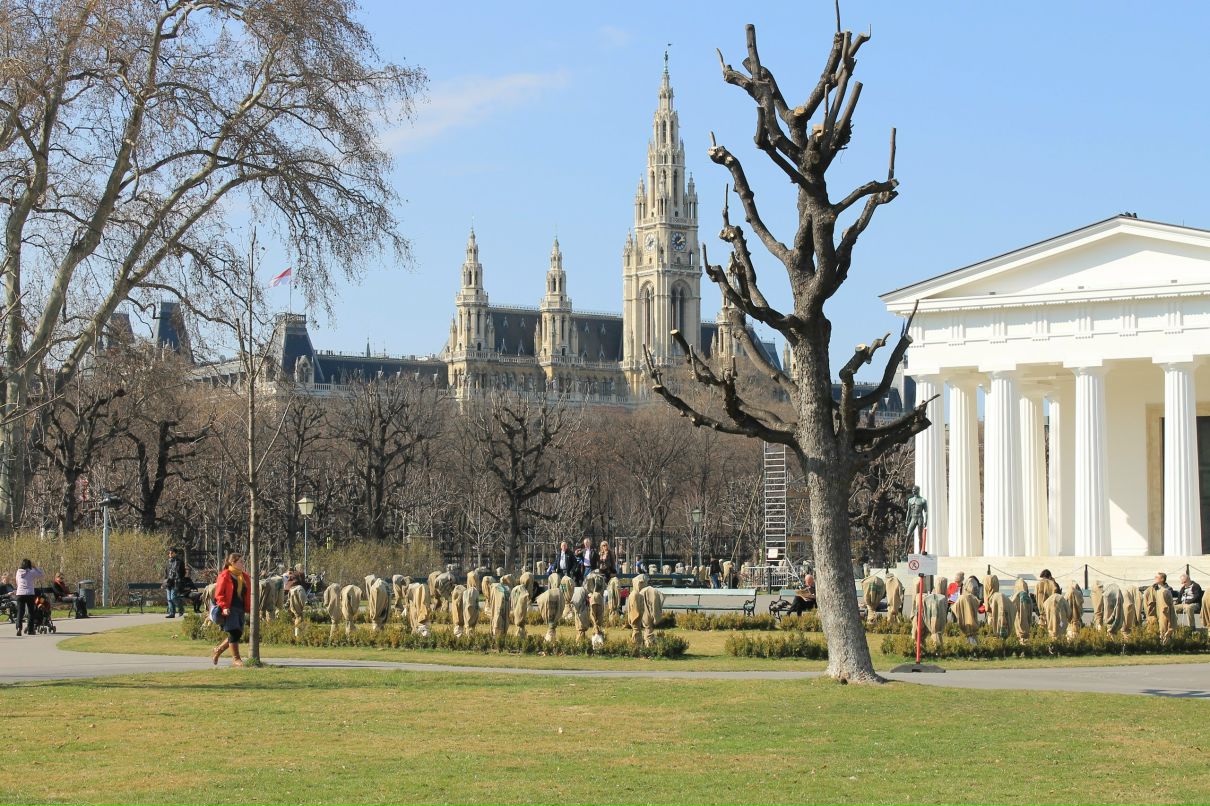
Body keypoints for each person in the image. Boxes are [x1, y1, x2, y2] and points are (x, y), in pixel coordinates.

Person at [212, 552, 251, 667]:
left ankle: (218, 650)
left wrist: (250, 608)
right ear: (232, 562)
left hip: (241, 608)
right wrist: (224, 607)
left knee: (238, 632)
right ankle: (236, 659)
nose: (243, 564)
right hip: (230, 608)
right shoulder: (225, 575)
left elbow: (248, 594)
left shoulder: (244, 576)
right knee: (234, 632)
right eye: (241, 562)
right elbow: (219, 594)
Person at [14, 559, 44, 637]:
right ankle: (30, 630)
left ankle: (18, 628)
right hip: (29, 594)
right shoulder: (31, 571)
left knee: (20, 612)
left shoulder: (18, 572)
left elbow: (17, 582)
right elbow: (41, 575)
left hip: (20, 593)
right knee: (31, 612)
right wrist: (35, 567)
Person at [164, 547, 187, 619]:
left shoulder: (179, 562)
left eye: (172, 553)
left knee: (173, 597)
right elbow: (166, 572)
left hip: (176, 582)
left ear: (175, 553)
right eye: (169, 553)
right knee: (169, 599)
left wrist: (179, 579)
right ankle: (172, 613)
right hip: (168, 582)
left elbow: (183, 572)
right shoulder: (168, 562)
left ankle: (181, 609)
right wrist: (165, 581)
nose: (170, 554)